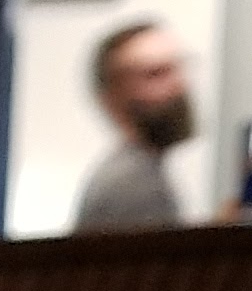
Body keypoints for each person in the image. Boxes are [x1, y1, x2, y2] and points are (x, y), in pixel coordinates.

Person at [71, 19, 196, 233]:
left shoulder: (142, 172)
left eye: (177, 67)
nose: (178, 85)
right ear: (112, 97)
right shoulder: (133, 186)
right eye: (155, 74)